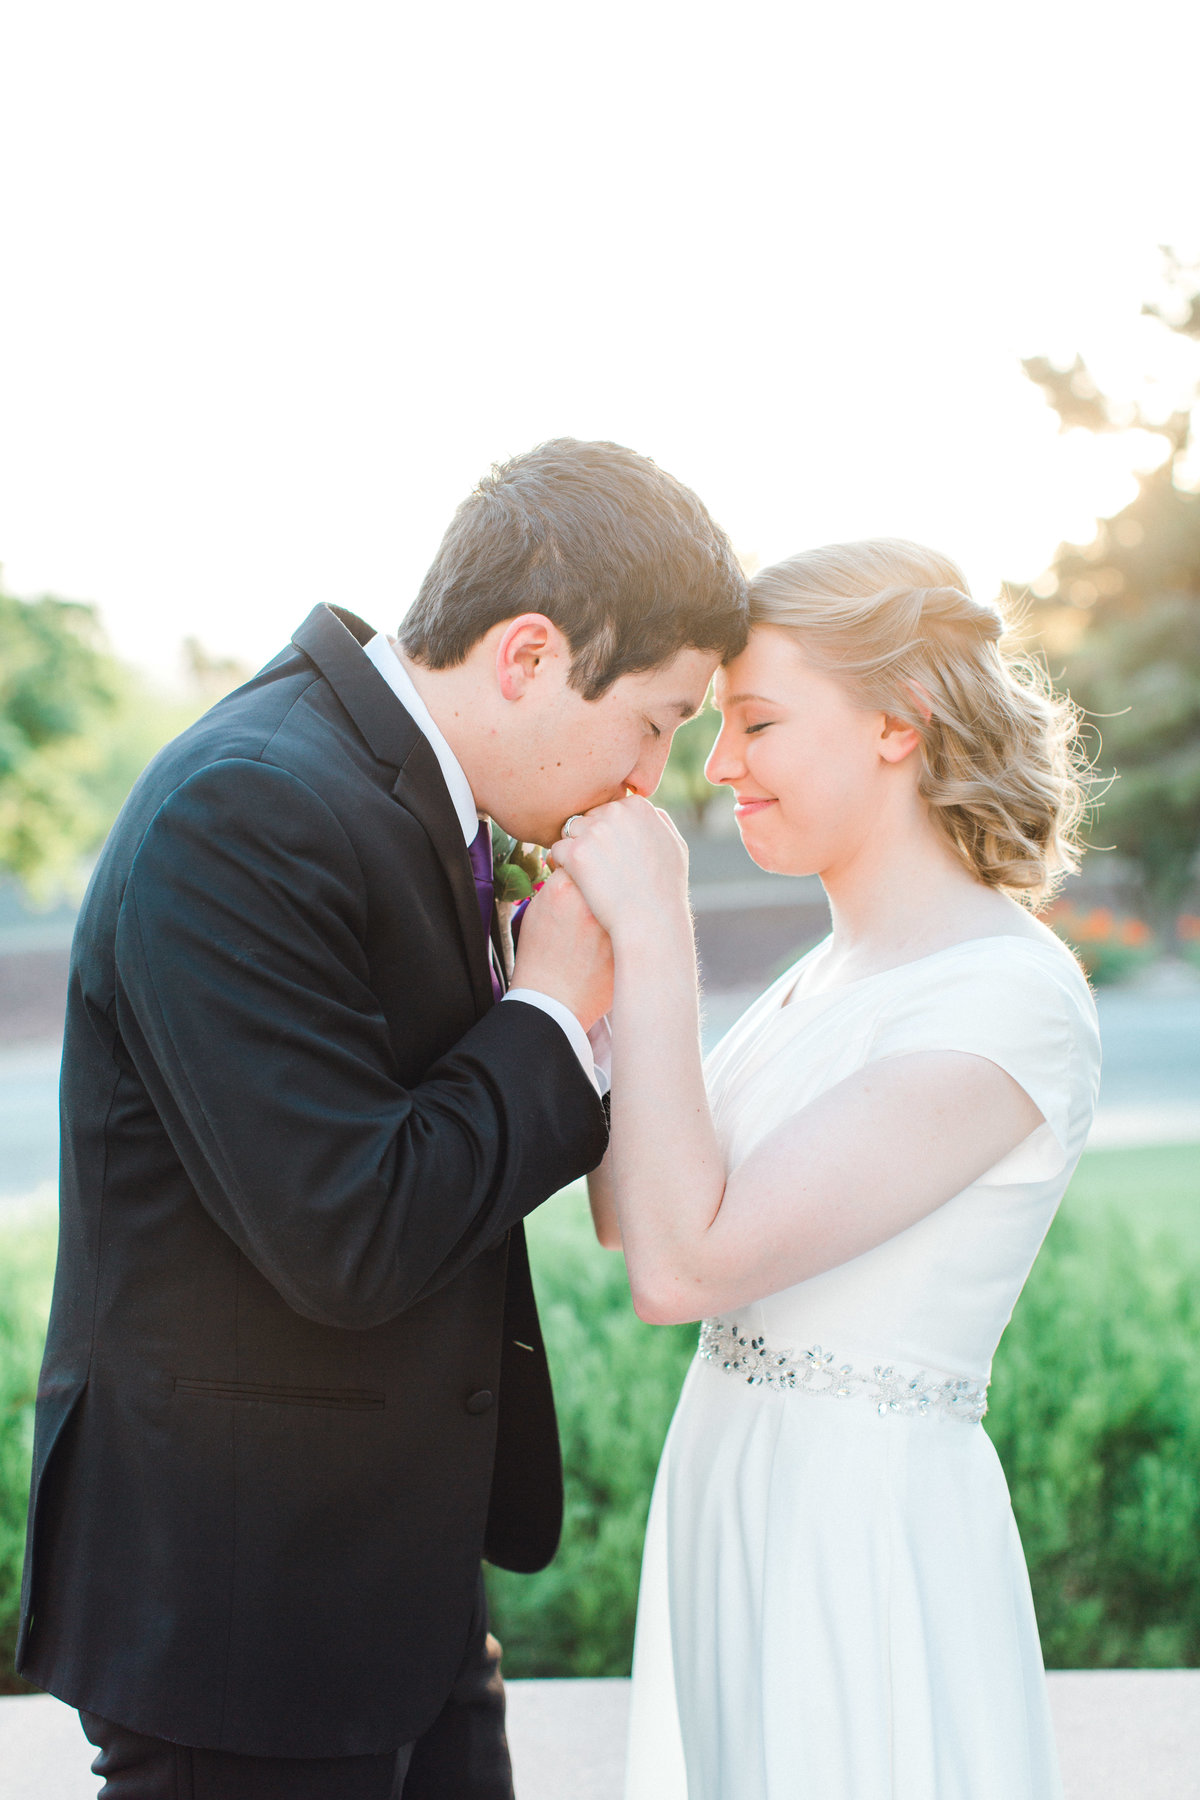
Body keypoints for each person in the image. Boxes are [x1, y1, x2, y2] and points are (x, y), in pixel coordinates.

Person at [17, 438, 748, 1800]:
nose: (653, 779)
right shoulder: (249, 807)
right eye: (654, 721)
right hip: (242, 1629)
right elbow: (348, 1232)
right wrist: (545, 1010)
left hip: (391, 1603)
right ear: (528, 656)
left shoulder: (397, 793)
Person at [552, 538, 1101, 1800]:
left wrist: (655, 927)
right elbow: (631, 1220)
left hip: (858, 1533)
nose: (719, 763)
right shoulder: (828, 971)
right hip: (735, 1490)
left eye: (756, 722)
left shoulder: (1002, 998)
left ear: (897, 725)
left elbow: (681, 1268)